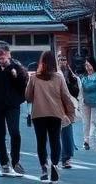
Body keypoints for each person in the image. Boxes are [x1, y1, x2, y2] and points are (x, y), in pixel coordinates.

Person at [24, 50, 74, 182]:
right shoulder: (58, 78)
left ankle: (43, 168)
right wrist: (70, 113)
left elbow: (28, 97)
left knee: (41, 142)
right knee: (55, 141)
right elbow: (66, 96)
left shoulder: (34, 78)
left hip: (38, 114)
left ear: (41, 62)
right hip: (55, 114)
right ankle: (55, 165)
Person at [0, 41, 29, 177]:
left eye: (3, 55)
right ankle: (4, 163)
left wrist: (13, 71)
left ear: (8, 54)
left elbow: (23, 83)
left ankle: (15, 161)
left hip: (12, 106)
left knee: (15, 132)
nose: (1, 58)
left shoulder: (17, 68)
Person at [59, 58, 80, 170]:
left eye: (64, 60)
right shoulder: (54, 74)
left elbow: (76, 90)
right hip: (55, 105)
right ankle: (55, 158)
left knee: (67, 132)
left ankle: (66, 158)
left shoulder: (70, 74)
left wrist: (72, 80)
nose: (62, 62)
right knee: (54, 134)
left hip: (67, 106)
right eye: (60, 60)